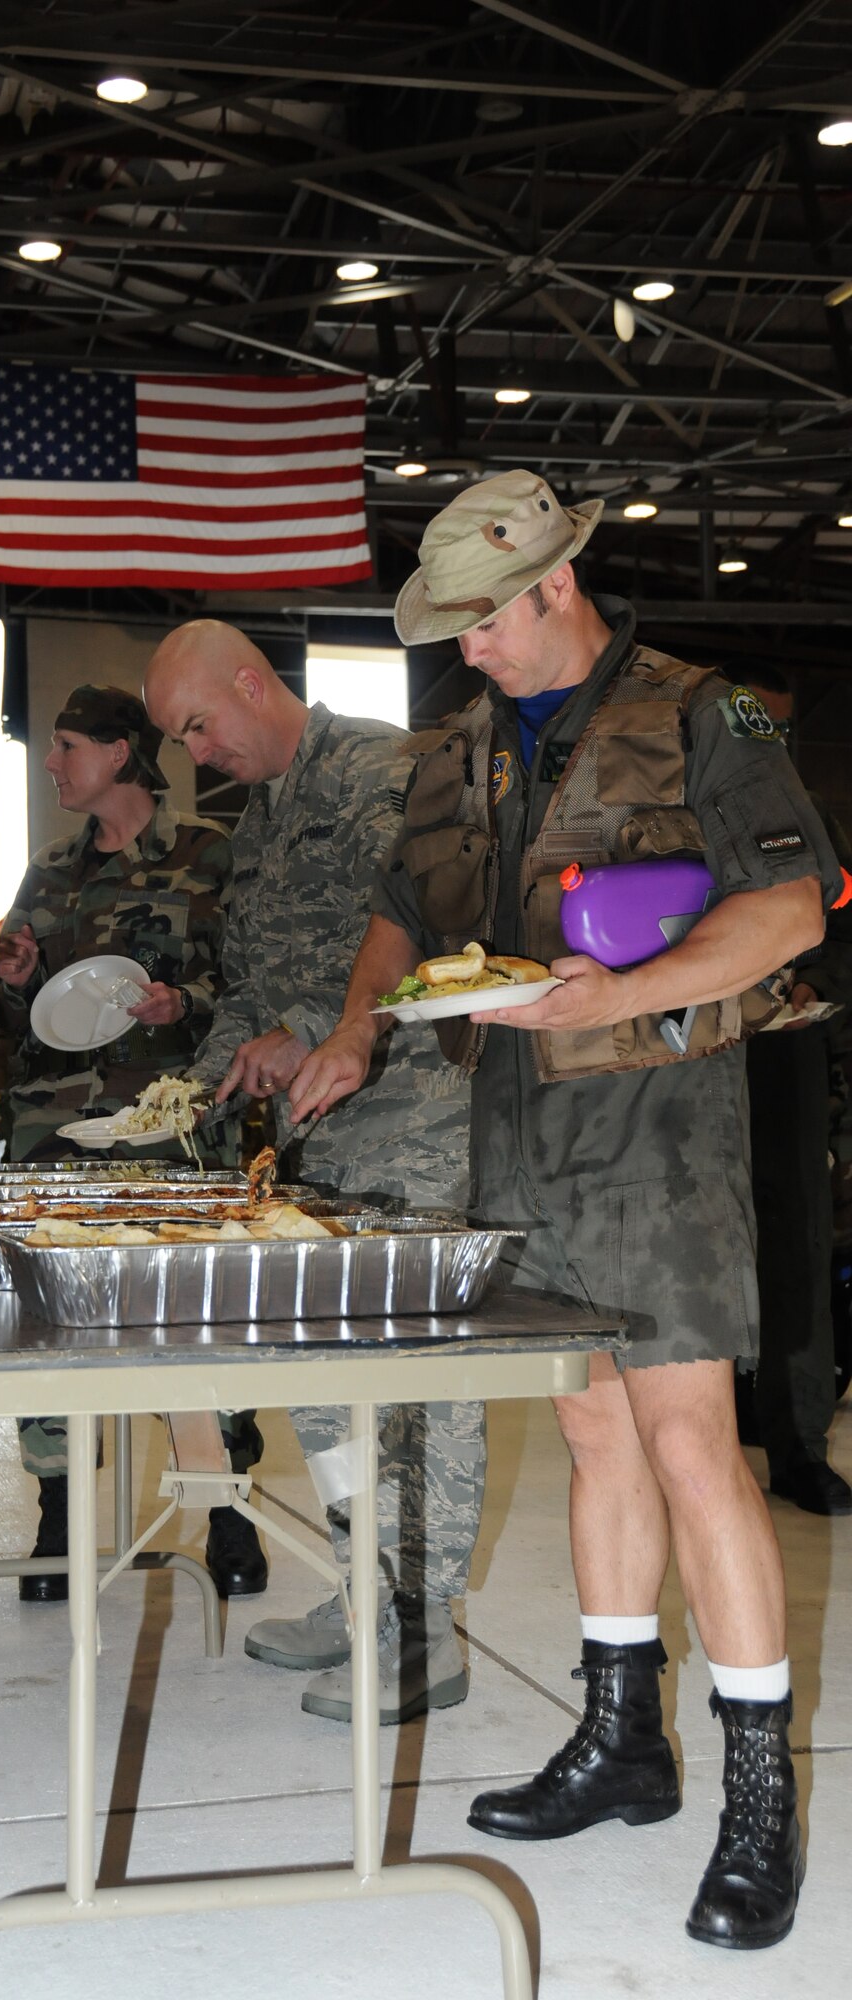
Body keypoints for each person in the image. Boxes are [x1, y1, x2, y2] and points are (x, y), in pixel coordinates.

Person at [290, 468, 841, 1949]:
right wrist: (355, 1029)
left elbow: (793, 906)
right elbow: (406, 911)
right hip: (514, 1123)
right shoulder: (457, 746)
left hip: (658, 1123)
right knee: (592, 1427)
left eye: (481, 622)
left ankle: (756, 1796)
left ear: (553, 586)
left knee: (688, 1445)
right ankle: (623, 1739)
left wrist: (625, 990)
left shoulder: (704, 713)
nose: (463, 649)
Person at [143, 624, 484, 1727]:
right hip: (308, 1141)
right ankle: (363, 1596)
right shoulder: (261, 820)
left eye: (198, 723)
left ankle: (422, 1632)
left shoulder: (383, 771)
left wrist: (305, 1025)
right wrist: (193, 1092)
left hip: (409, 1117)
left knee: (413, 1384)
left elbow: (429, 931)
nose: (195, 752)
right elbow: (251, 984)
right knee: (325, 1386)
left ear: (252, 683)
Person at [0, 684, 265, 1601]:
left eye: (64, 745)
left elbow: (260, 991)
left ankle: (227, 1509)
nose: (52, 763)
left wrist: (182, 1003)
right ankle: (59, 1513)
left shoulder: (208, 857)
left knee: (197, 1316)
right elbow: (15, 1016)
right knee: (52, 1323)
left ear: (117, 754)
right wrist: (17, 977)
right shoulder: (48, 872)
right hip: (55, 1128)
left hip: (169, 1121)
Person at [732, 662, 852, 1515]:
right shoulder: (673, 814)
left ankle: (799, 1446)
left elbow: (843, 935)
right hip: (681, 1055)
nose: (762, 741)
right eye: (749, 723)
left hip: (783, 1058)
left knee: (796, 1247)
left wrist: (813, 985)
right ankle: (734, 1409)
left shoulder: (817, 824)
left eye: (776, 726)